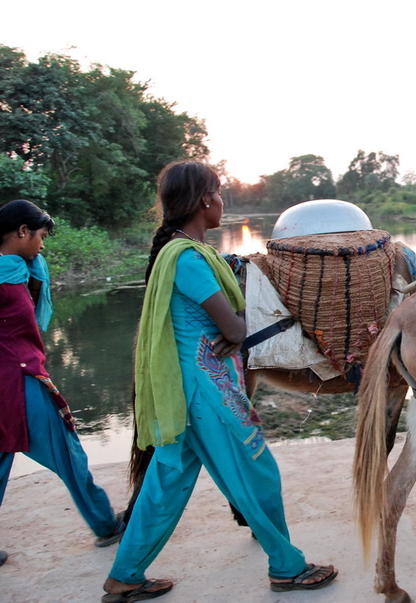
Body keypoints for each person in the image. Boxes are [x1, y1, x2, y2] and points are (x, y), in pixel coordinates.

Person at [102, 160, 337, 601]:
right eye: (219, 192)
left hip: (187, 385)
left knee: (167, 480)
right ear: (205, 199)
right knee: (257, 470)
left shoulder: (182, 251)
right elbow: (233, 331)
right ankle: (287, 567)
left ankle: (125, 576)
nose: (222, 200)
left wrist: (232, 326)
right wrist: (242, 323)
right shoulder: (188, 257)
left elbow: (228, 327)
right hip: (206, 387)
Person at [0, 200, 124, 568]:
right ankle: (105, 524)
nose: (43, 245)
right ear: (22, 232)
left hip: (8, 378)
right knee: (68, 453)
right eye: (40, 235)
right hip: (19, 381)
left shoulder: (16, 270)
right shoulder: (11, 276)